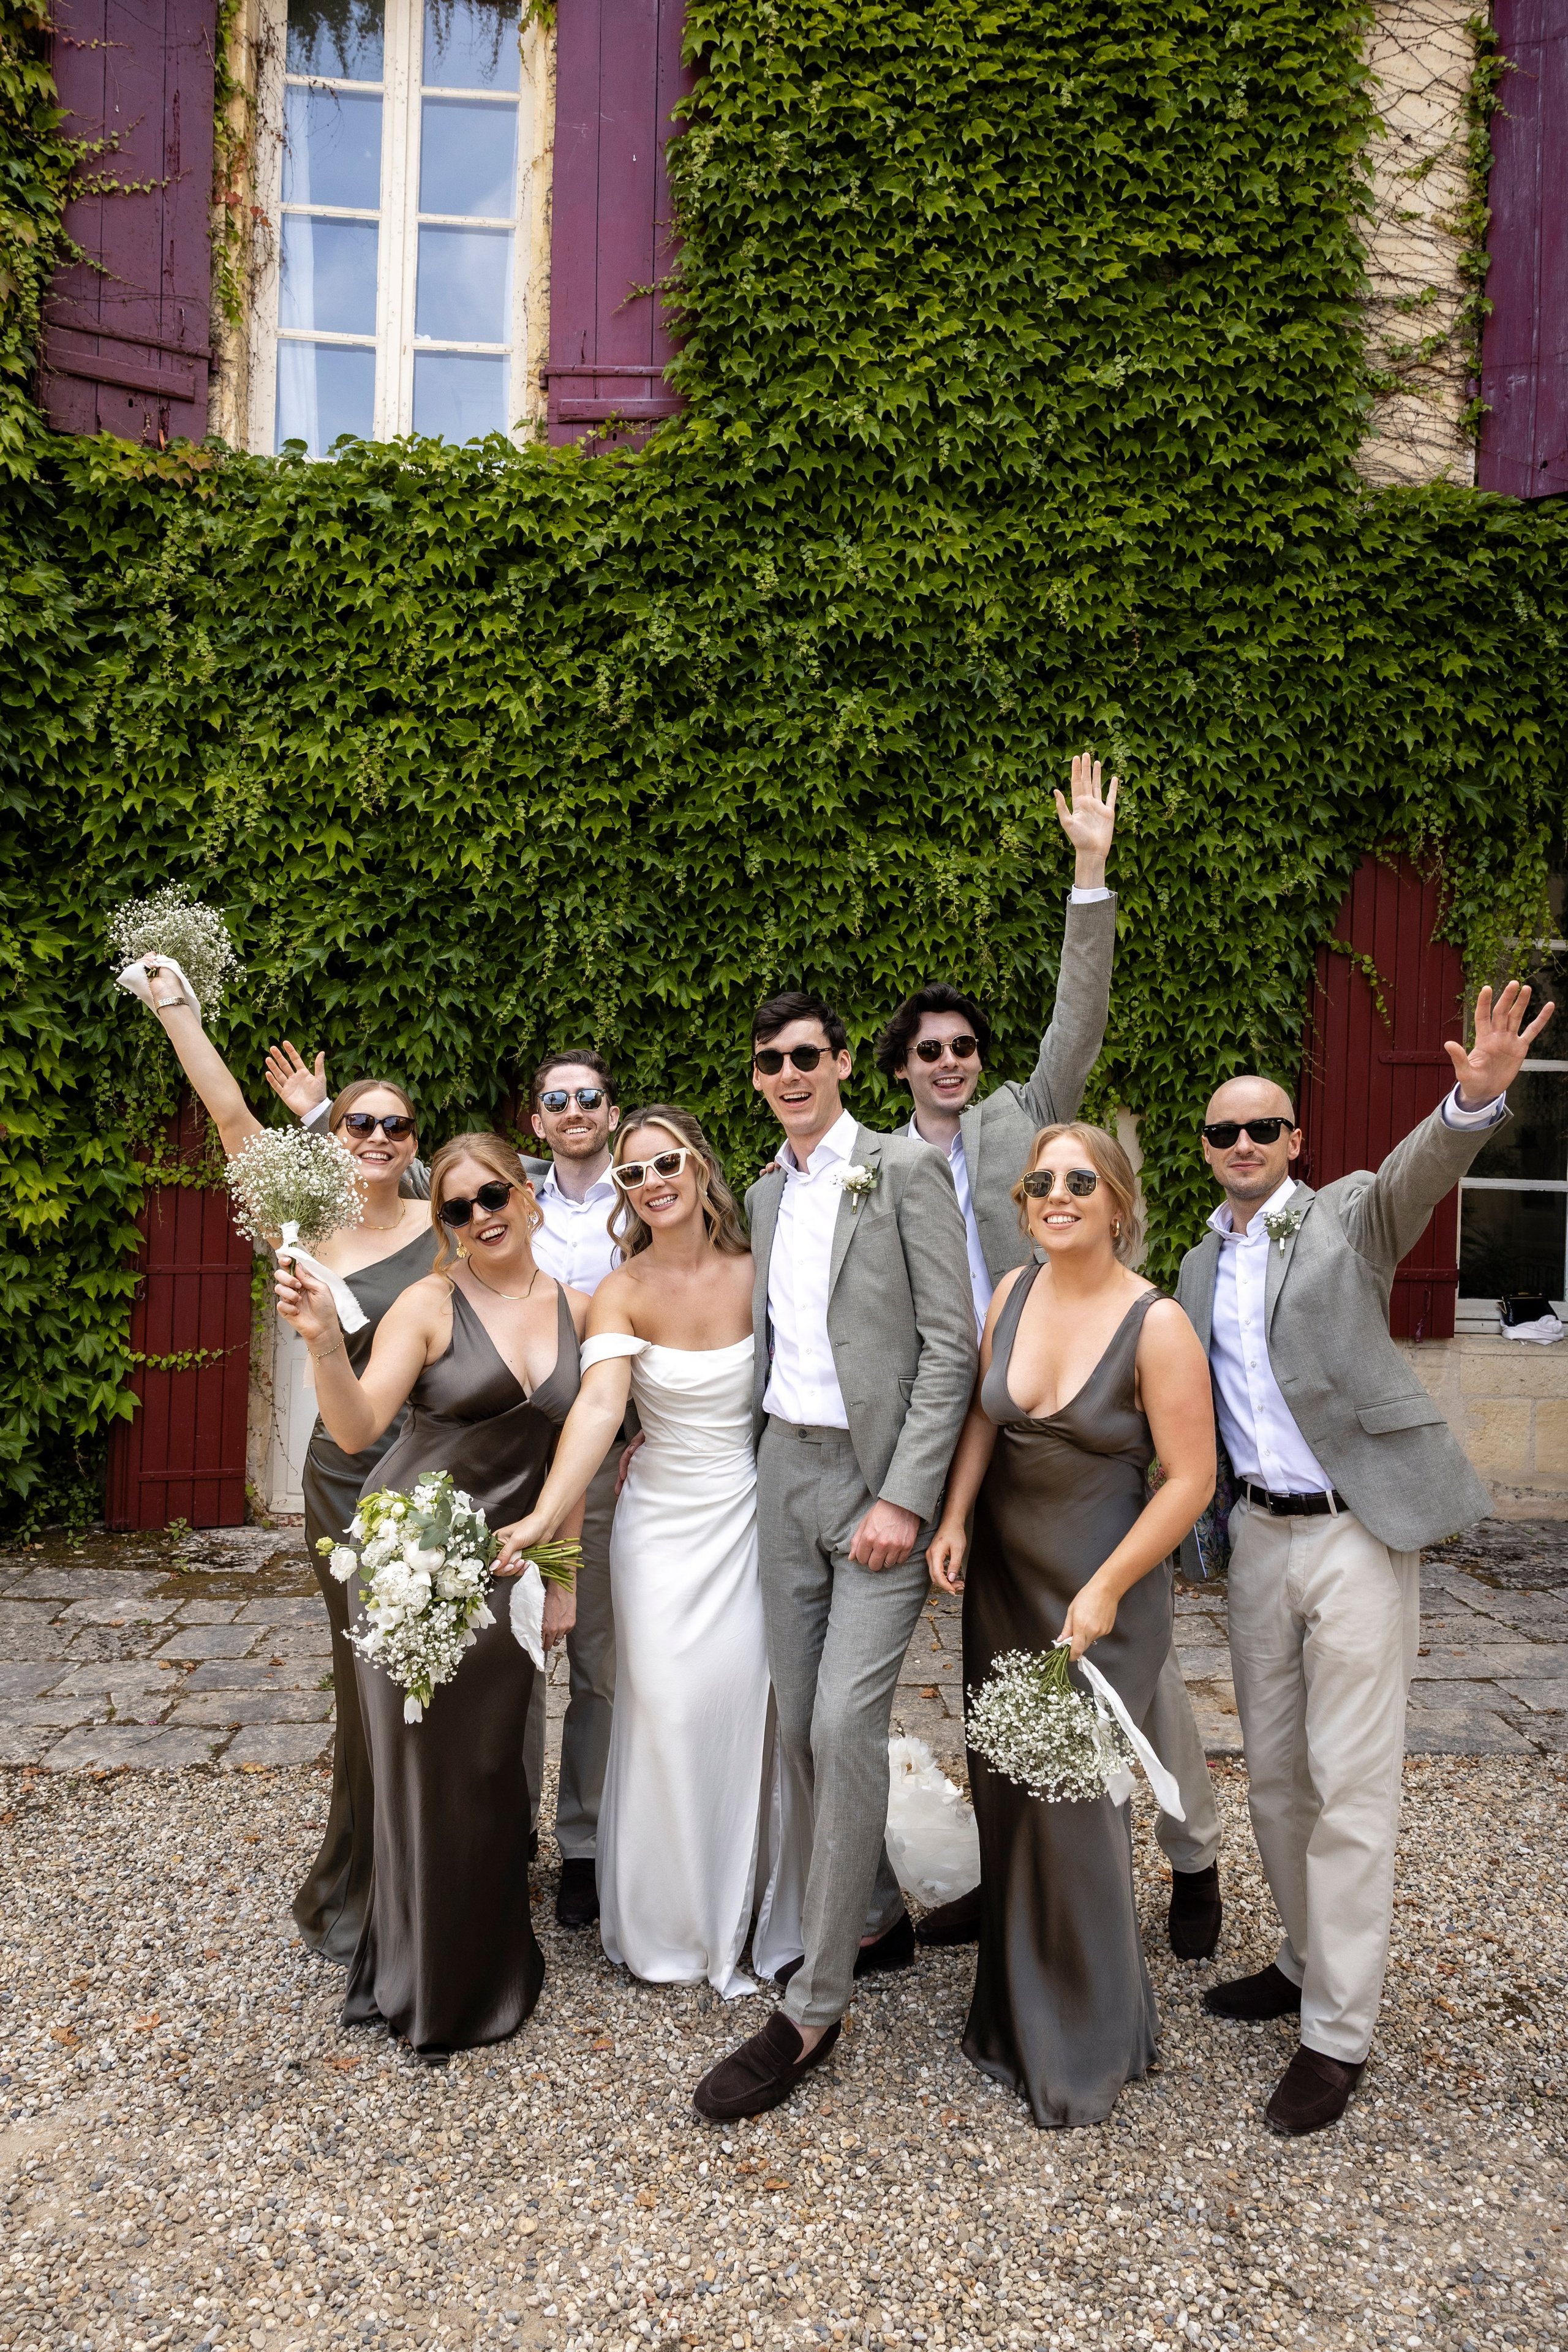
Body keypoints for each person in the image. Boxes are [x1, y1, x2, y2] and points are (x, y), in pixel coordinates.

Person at [1177, 978, 1551, 2136]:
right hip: (1255, 1542)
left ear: (1294, 1139)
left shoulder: (1343, 1215)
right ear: (1207, 1151)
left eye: (1263, 1127)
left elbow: (1417, 1175)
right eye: (1223, 1130)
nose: (1244, 1143)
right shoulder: (1191, 1274)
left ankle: (1337, 2035)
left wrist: (1471, 1102)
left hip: (1353, 1531)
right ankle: (1300, 1960)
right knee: (1278, 1779)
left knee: (1352, 1788)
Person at [877, 755, 1224, 1963]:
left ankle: (1189, 1855)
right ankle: (1008, 1863)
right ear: (900, 1065)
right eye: (927, 1049)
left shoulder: (1027, 1120)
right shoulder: (872, 1162)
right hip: (966, 1431)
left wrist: (1088, 872)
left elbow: (1076, 1013)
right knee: (984, 1675)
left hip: (1080, 1435)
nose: (948, 1060)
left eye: (962, 1043)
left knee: (1135, 1680)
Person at [692, 991, 978, 2122]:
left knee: (842, 1725)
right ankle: (876, 1915)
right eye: (772, 1061)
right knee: (802, 1721)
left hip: (875, 1485)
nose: (791, 1073)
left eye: (808, 1055)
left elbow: (952, 1344)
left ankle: (814, 2004)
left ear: (846, 1063)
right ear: (757, 1078)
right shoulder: (762, 1194)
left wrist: (906, 1497)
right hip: (784, 1473)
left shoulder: (902, 1170)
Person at [275, 1039, 624, 1926]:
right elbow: (356, 1428)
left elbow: (574, 1452)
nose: (481, 1214)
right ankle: (412, 1916)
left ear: (529, 1197)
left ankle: (488, 1902)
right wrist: (322, 1343)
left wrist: (561, 1572)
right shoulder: (428, 1303)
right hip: (420, 1542)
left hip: (515, 1541)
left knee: (497, 1735)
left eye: (495, 1195)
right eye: (460, 1207)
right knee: (421, 1732)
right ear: (448, 1223)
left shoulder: (585, 1314)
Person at [136, 974, 435, 1966]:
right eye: (360, 1124)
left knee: (438, 1677)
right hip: (348, 1481)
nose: (378, 1139)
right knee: (365, 1680)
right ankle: (368, 1876)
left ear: (413, 1139)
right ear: (334, 1136)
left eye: (395, 1124)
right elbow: (229, 1115)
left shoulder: (446, 1223)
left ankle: (446, 1861)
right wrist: (176, 1005)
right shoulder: (299, 1225)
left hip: (440, 1478)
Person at [925, 1123, 1215, 2127]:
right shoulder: (1010, 1293)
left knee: (1079, 1803)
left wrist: (1107, 1589)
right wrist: (957, 1515)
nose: (1057, 1194)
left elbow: (1190, 1480)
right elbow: (980, 1417)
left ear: (1118, 1201)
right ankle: (1011, 2014)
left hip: (1102, 1591)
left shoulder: (1158, 1322)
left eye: (1079, 1180)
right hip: (1006, 1578)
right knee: (1009, 1788)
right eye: (1040, 1180)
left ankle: (1089, 2037)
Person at [497, 1107, 807, 1996]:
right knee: (666, 1709)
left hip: (752, 1515)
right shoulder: (622, 1291)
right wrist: (547, 1519)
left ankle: (751, 1909)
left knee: (748, 1710)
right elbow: (598, 1412)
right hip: (660, 1529)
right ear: (623, 1194)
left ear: (700, 1167)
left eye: (665, 1162)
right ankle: (671, 1921)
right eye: (633, 1175)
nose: (652, 1182)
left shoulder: (762, 1273)